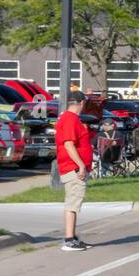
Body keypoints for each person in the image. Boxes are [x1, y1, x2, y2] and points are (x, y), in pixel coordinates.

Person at [55, 91, 93, 251]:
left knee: (74, 203)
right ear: (81, 103)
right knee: (73, 203)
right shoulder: (70, 119)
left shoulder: (69, 118)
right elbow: (69, 144)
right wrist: (81, 165)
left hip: (73, 167)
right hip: (74, 168)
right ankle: (69, 239)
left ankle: (73, 237)